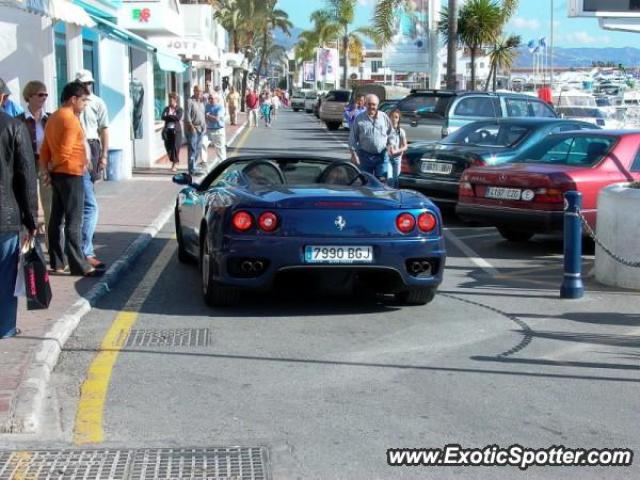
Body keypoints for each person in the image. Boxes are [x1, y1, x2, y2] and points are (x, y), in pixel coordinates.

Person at [40, 82, 100, 277]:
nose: (84, 105)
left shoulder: (53, 117)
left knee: (56, 219)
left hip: (59, 174)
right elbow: (65, 152)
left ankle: (57, 262)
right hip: (71, 174)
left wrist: (47, 171)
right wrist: (53, 169)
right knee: (74, 220)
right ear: (73, 99)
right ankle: (78, 265)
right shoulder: (70, 119)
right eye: (83, 100)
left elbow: (45, 150)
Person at [0, 77, 37, 338]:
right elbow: (25, 177)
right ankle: (5, 327)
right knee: (4, 274)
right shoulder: (14, 126)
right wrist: (31, 219)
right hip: (6, 215)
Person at [75, 70, 108, 271]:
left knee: (89, 196)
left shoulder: (97, 102)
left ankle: (86, 234)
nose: (87, 87)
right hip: (77, 149)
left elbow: (104, 128)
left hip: (92, 146)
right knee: (88, 203)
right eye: (84, 83)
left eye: (90, 83)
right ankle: (84, 248)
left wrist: (104, 155)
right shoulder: (72, 103)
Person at [16, 81, 51, 233]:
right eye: (40, 94)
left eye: (46, 95)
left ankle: (53, 247)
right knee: (29, 203)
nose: (44, 98)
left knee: (49, 203)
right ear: (29, 97)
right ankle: (30, 244)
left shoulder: (50, 119)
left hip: (46, 164)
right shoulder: (19, 120)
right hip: (27, 164)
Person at [348, 94, 393, 181]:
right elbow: (352, 137)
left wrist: (391, 145)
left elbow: (391, 133)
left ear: (377, 105)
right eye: (369, 104)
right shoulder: (359, 119)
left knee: (382, 182)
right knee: (365, 182)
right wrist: (353, 154)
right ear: (365, 104)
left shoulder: (384, 117)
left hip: (382, 157)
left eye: (374, 104)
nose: (371, 107)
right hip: (365, 157)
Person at [185, 85, 206, 175]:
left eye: (201, 91)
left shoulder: (201, 102)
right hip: (193, 129)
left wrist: (205, 126)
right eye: (198, 91)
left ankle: (194, 166)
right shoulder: (190, 101)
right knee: (192, 149)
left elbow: (203, 115)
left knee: (198, 148)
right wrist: (191, 126)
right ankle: (191, 169)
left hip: (201, 129)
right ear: (194, 91)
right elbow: (187, 115)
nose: (199, 93)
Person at [161, 93, 183, 172]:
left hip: (176, 131)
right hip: (167, 130)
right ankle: (175, 161)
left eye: (171, 100)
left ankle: (174, 164)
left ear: (175, 100)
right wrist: (171, 117)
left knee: (175, 148)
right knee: (168, 147)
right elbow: (162, 116)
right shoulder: (166, 108)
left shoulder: (179, 109)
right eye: (169, 100)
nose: (170, 101)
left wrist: (168, 117)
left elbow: (178, 118)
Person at [386, 109, 408, 188]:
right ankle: (390, 194)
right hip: (388, 157)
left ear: (398, 119)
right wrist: (387, 148)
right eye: (392, 117)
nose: (393, 119)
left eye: (396, 117)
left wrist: (397, 151)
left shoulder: (401, 131)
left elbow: (405, 146)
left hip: (397, 158)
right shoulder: (386, 130)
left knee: (396, 178)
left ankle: (396, 195)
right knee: (389, 178)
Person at [205, 94, 226, 166]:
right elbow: (205, 116)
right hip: (208, 130)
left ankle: (222, 166)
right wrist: (209, 117)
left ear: (217, 99)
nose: (210, 100)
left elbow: (216, 119)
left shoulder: (220, 107)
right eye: (209, 98)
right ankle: (204, 162)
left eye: (212, 98)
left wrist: (208, 116)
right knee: (202, 144)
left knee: (220, 150)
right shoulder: (207, 106)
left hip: (218, 130)